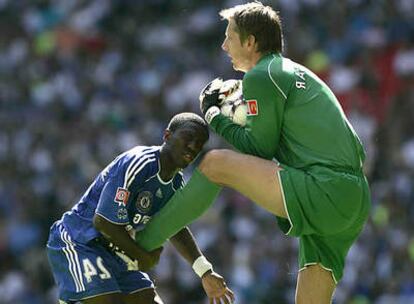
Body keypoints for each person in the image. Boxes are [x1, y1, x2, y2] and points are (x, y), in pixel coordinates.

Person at [134, 2, 371, 304]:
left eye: (230, 37)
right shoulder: (289, 71)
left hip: (326, 189)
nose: (223, 45)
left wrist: (214, 116)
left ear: (250, 42)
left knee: (214, 164)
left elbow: (260, 150)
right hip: (354, 197)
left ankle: (140, 245)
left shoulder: (263, 74)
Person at [46, 112, 235, 304]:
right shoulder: (139, 163)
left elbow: (174, 225)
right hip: (80, 240)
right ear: (167, 136)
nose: (193, 147)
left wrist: (205, 272)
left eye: (199, 144)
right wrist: (142, 256)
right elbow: (103, 222)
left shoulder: (176, 183)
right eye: (188, 138)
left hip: (117, 252)